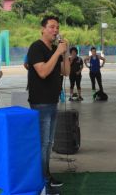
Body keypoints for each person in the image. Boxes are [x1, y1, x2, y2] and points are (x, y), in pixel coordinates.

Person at [27, 16, 70, 195]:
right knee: (43, 143)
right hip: (41, 102)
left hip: (52, 101)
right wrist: (57, 53)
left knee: (49, 143)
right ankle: (42, 181)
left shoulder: (55, 49)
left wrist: (65, 53)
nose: (55, 30)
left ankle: (46, 175)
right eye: (51, 27)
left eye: (57, 27)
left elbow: (66, 72)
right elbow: (43, 72)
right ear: (42, 29)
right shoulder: (36, 47)